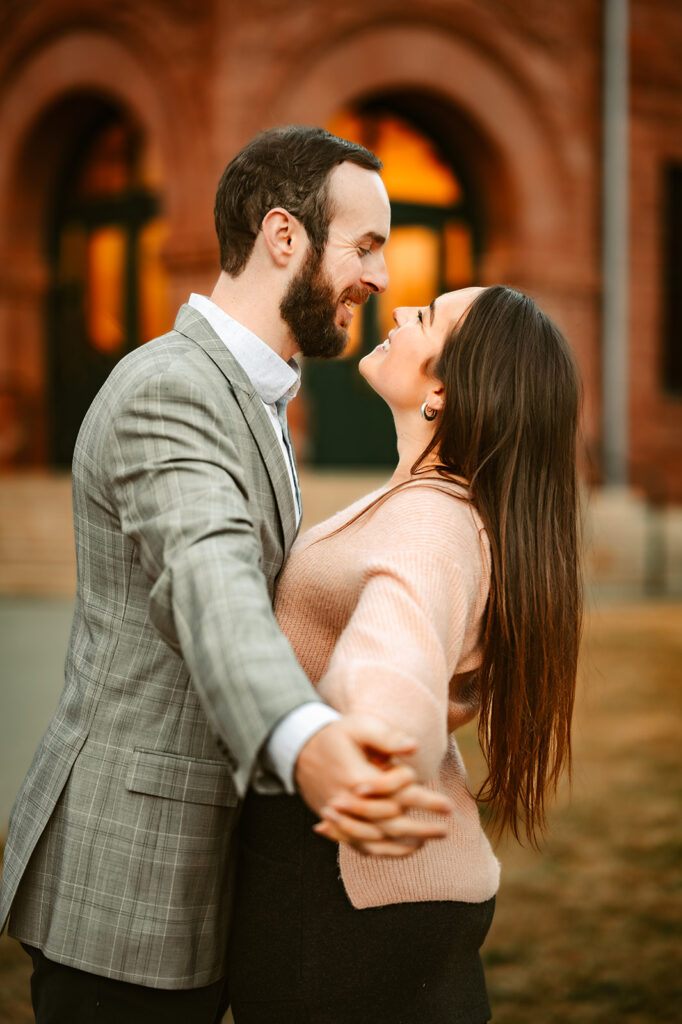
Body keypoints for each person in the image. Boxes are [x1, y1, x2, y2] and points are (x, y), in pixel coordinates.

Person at [0, 126, 453, 1023]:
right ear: (283, 238)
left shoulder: (258, 393)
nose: (381, 278)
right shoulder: (171, 388)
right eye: (364, 246)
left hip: (210, 887)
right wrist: (302, 739)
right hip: (128, 886)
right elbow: (210, 591)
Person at [227, 284, 583, 1024]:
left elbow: (393, 654)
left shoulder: (430, 523)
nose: (397, 313)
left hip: (345, 897)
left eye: (425, 319)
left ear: (445, 393)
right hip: (382, 889)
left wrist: (371, 743)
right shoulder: (430, 500)